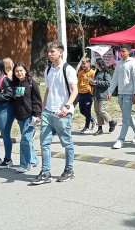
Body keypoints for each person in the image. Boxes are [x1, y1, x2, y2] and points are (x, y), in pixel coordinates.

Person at [32, 41, 78, 185]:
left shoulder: (68, 69)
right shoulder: (48, 70)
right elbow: (48, 91)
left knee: (67, 142)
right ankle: (45, 172)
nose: (50, 54)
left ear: (61, 52)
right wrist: (41, 110)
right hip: (48, 112)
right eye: (49, 51)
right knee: (44, 142)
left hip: (62, 113)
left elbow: (75, 90)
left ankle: (69, 170)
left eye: (52, 51)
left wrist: (66, 106)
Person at [108, 44, 135, 149]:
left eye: (123, 51)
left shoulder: (133, 63)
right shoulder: (119, 64)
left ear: (129, 51)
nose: (122, 53)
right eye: (121, 51)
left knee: (125, 119)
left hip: (129, 93)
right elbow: (114, 79)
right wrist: (110, 92)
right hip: (120, 93)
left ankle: (121, 139)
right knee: (127, 115)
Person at [12, 62, 41, 173]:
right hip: (21, 117)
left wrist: (38, 115)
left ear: (25, 71)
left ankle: (25, 164)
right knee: (27, 140)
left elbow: (37, 101)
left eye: (21, 71)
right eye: (17, 71)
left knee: (25, 140)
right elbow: (18, 100)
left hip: (31, 117)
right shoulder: (17, 84)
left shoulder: (32, 84)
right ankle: (33, 160)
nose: (19, 73)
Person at [90, 58, 117, 136]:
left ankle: (112, 122)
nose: (94, 64)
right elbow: (97, 83)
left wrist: (97, 82)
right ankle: (100, 129)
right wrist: (92, 83)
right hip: (96, 94)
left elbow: (108, 83)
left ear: (99, 63)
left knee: (102, 111)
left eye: (95, 63)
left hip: (104, 94)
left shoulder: (106, 72)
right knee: (97, 112)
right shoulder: (97, 72)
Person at [77, 58, 96, 133]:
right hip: (81, 94)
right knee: (82, 111)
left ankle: (86, 127)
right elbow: (78, 83)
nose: (83, 65)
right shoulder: (80, 73)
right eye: (82, 64)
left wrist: (92, 94)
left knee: (88, 111)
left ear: (89, 64)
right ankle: (93, 119)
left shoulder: (92, 73)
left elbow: (93, 85)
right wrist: (78, 93)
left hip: (88, 94)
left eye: (84, 64)